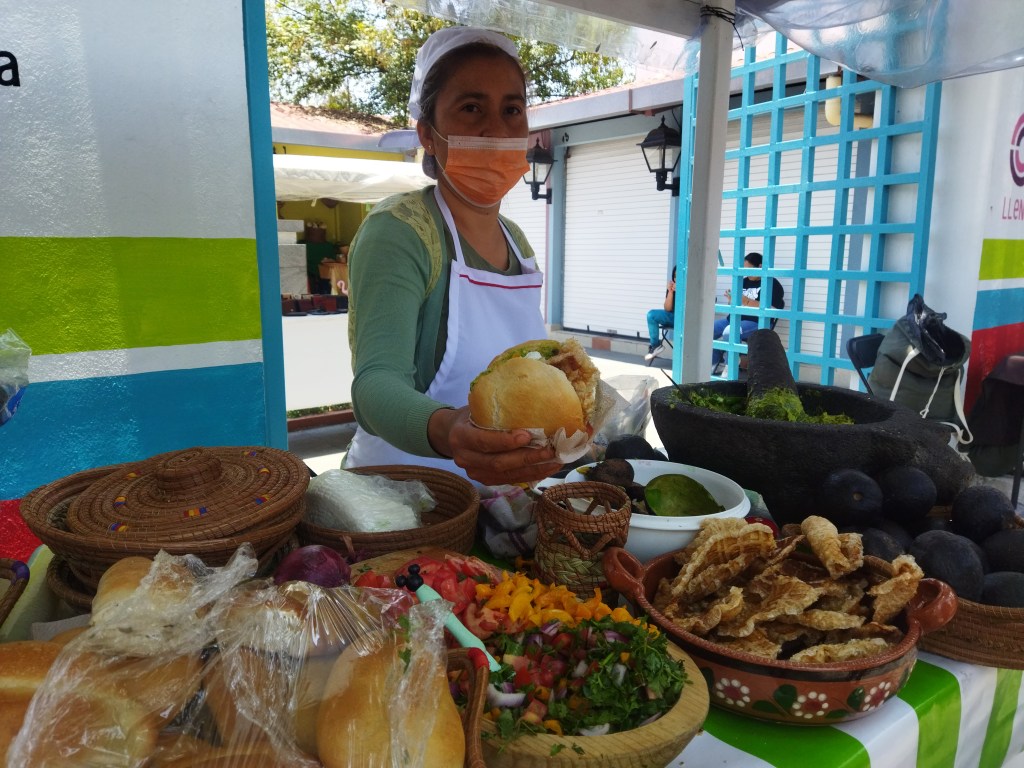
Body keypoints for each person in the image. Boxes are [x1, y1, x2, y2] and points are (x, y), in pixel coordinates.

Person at [342, 27, 562, 487]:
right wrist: (450, 431)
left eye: (512, 110)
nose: (496, 129)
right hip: (400, 501)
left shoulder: (517, 243)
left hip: (495, 502)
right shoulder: (400, 231)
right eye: (471, 108)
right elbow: (375, 384)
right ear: (428, 133)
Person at [712, 252, 785, 373]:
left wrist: (746, 301)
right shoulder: (744, 281)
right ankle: (712, 365)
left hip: (756, 321)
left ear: (760, 266)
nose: (746, 273)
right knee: (709, 331)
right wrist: (732, 301)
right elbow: (735, 304)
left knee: (730, 331)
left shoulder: (772, 284)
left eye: (749, 269)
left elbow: (773, 310)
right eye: (744, 269)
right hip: (734, 318)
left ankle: (730, 368)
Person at [643, 266, 676, 362]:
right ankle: (656, 346)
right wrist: (670, 292)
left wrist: (681, 291)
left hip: (685, 319)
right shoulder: (673, 286)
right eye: (674, 276)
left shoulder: (691, 287)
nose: (676, 279)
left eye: (678, 276)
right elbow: (667, 308)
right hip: (672, 317)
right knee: (651, 315)